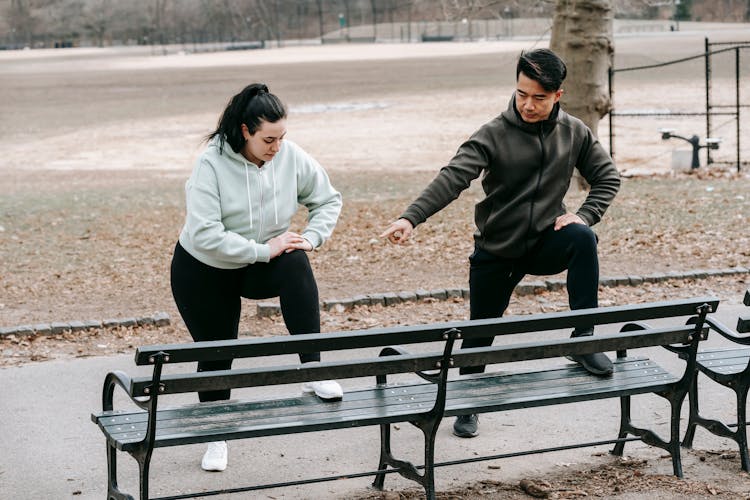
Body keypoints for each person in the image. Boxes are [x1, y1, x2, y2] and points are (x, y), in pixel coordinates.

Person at [380, 49, 621, 439]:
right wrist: (411, 217)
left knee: (582, 238)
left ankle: (584, 339)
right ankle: (469, 403)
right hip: (497, 249)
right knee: (481, 334)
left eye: (538, 98)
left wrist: (585, 213)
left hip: (545, 240)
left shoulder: (574, 131)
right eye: (522, 93)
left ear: (558, 95)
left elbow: (608, 177)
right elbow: (453, 177)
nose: (527, 104)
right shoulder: (493, 133)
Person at [170, 83, 343, 472]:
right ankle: (216, 436)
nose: (277, 147)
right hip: (203, 270)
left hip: (259, 262)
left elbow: (328, 198)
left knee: (296, 262)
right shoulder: (210, 164)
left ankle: (313, 369)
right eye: (269, 139)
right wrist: (264, 250)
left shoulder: (289, 155)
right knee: (217, 353)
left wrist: (309, 239)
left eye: (282, 137)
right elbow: (205, 234)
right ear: (246, 131)